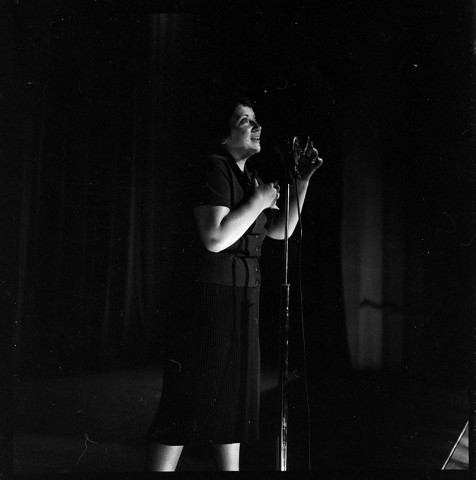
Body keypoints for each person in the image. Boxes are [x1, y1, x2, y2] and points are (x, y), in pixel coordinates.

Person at [145, 91, 323, 471]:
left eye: (256, 119)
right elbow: (215, 238)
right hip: (209, 299)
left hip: (244, 296)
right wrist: (258, 200)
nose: (257, 126)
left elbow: (281, 231)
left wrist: (302, 181)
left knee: (234, 402)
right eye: (245, 120)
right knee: (188, 401)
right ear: (223, 134)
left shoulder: (252, 176)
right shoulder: (215, 166)